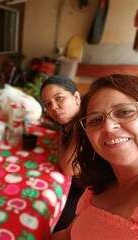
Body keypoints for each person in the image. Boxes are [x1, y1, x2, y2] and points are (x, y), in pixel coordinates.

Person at [53, 74, 138, 240]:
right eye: (96, 120)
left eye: (124, 112)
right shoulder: (97, 186)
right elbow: (69, 234)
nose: (109, 127)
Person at [40, 75, 83, 232]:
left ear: (76, 97)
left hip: (89, 191)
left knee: (46, 217)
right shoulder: (69, 123)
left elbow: (68, 167)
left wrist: (62, 143)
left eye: (59, 98)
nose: (54, 107)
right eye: (48, 104)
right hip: (76, 184)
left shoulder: (84, 123)